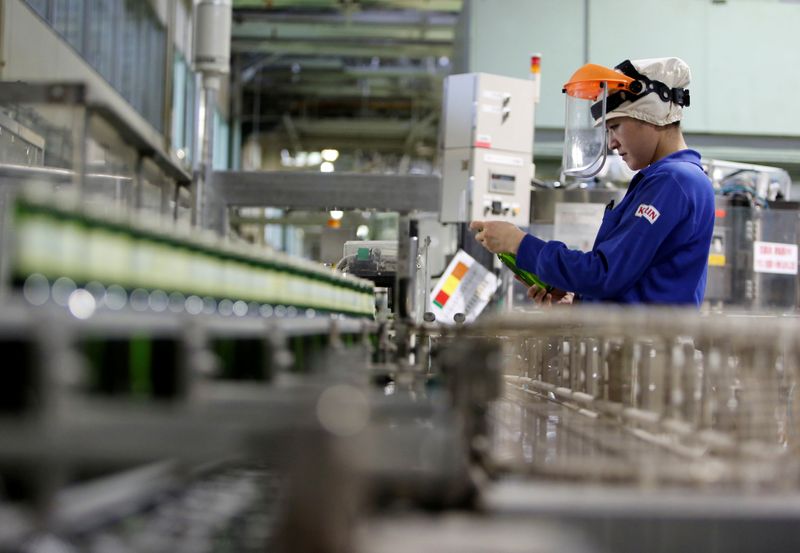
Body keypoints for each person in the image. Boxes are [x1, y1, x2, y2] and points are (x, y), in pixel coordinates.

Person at [471, 57, 714, 307]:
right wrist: (579, 306)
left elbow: (605, 274)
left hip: (645, 343)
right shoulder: (670, 180)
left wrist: (519, 244)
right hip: (636, 340)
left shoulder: (674, 181)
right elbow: (633, 282)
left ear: (650, 115)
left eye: (615, 127)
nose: (611, 143)